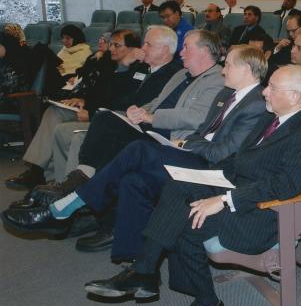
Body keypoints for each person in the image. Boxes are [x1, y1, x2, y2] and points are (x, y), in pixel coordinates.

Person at [80, 64, 301, 306]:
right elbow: (238, 161)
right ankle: (145, 270)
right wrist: (205, 179)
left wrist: (223, 199)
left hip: (263, 214)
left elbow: (284, 187)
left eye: (272, 88)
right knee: (176, 186)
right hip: (239, 192)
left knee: (189, 221)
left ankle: (207, 303)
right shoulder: (272, 119)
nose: (264, 92)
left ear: (293, 96)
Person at [19, 46, 268, 259]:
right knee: (132, 180)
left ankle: (68, 204)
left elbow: (223, 153)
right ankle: (135, 263)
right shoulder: (226, 94)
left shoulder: (256, 104)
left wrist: (188, 145)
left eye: (229, 65)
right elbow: (202, 130)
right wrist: (187, 143)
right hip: (195, 155)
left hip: (214, 170)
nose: (224, 69)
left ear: (246, 69)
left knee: (138, 148)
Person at [3, 29, 224, 232]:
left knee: (105, 121)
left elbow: (197, 117)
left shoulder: (216, 79)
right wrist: (139, 111)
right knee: (105, 118)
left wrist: (151, 116)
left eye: (187, 47)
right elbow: (156, 101)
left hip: (171, 139)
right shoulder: (181, 75)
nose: (182, 52)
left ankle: (75, 187)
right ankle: (68, 192)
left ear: (204, 51)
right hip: (149, 127)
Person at [5, 28, 176, 197]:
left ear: (165, 49)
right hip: (102, 111)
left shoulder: (158, 72)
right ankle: (47, 179)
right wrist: (86, 100)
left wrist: (123, 68)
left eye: (148, 44)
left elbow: (126, 102)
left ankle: (68, 194)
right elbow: (104, 91)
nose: (143, 48)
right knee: (54, 114)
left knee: (70, 134)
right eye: (111, 44)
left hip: (118, 120)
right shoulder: (135, 66)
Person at [0, 30, 34, 112]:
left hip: (16, 101)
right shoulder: (5, 60)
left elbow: (10, 87)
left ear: (5, 45)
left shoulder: (16, 62)